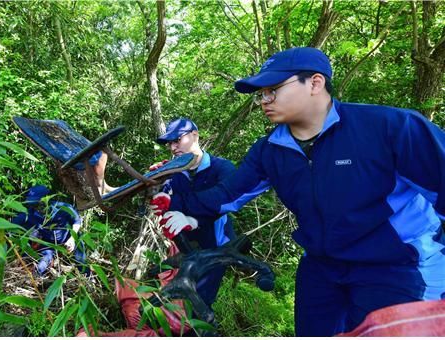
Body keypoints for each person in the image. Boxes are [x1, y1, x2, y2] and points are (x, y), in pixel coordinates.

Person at [150, 47, 445, 336]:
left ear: (315, 83)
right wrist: (177, 203)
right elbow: (229, 194)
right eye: (260, 93)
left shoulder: (389, 128)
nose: (264, 100)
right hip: (322, 267)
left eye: (273, 89)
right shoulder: (271, 150)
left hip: (398, 265)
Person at [149, 118, 237, 311]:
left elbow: (226, 201)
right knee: (179, 300)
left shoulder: (222, 168)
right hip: (186, 247)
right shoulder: (175, 172)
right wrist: (157, 187)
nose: (173, 148)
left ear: (195, 135)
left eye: (177, 140)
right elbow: (165, 199)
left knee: (200, 301)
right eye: (170, 143)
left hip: (215, 246)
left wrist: (194, 219)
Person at [11, 185, 86, 276]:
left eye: (38, 203)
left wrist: (72, 240)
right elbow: (11, 226)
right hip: (48, 244)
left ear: (46, 200)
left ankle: (87, 277)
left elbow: (77, 221)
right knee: (45, 259)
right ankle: (36, 278)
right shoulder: (28, 214)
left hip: (68, 239)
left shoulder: (62, 208)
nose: (36, 207)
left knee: (80, 257)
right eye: (33, 204)